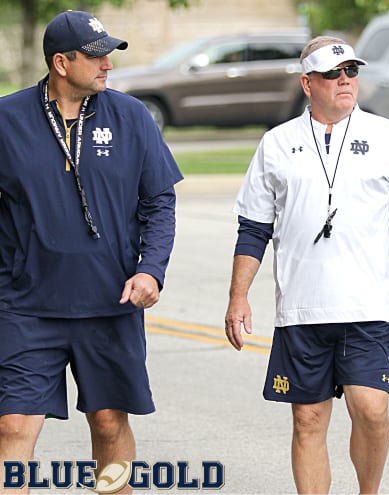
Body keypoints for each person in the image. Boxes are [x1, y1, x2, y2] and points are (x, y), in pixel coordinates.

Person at [224, 35, 389, 494]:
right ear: (307, 83)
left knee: (372, 410)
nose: (345, 81)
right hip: (302, 309)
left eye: (351, 71)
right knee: (308, 419)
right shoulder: (277, 143)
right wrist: (238, 296)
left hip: (367, 308)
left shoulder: (387, 137)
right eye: (332, 74)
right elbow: (254, 228)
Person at [0, 10, 183, 492]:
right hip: (26, 306)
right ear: (61, 62)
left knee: (108, 422)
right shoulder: (7, 120)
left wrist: (151, 270)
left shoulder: (132, 116)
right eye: (97, 55)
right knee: (13, 426)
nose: (108, 65)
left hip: (111, 302)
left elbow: (160, 201)